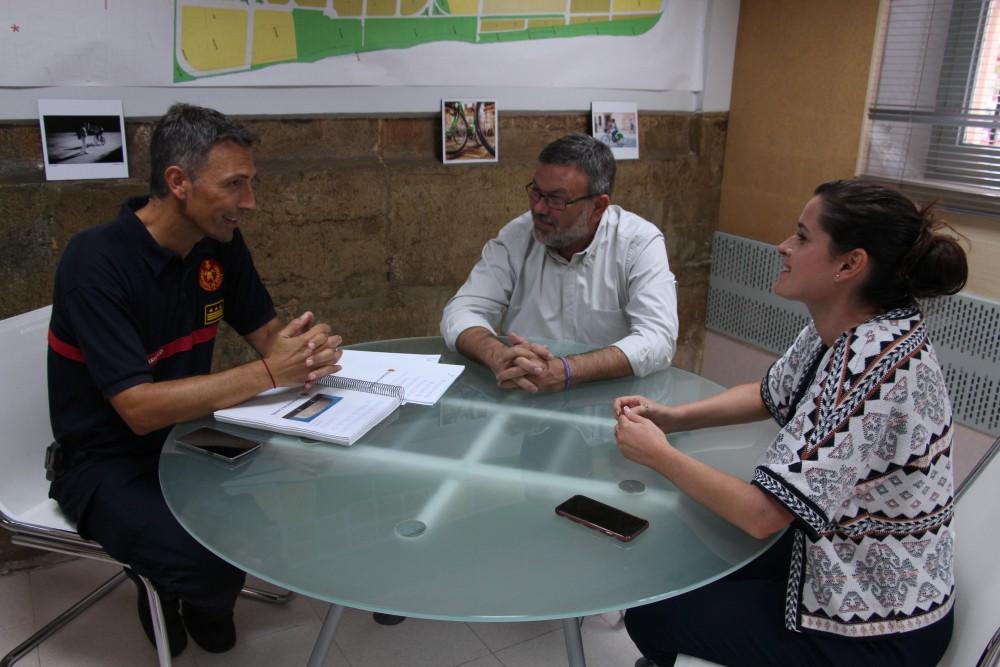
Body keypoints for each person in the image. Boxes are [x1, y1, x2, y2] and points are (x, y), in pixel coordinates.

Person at [615, 180, 966, 667]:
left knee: (652, 611)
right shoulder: (851, 324)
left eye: (802, 237)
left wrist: (658, 454)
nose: (783, 246)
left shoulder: (871, 365)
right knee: (687, 551)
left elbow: (762, 516)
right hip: (836, 559)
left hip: (874, 628)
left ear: (850, 264)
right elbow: (769, 392)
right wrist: (672, 418)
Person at [46, 103, 343, 657]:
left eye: (251, 183)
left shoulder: (218, 243)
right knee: (209, 564)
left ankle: (193, 585)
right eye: (234, 184)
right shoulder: (95, 262)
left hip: (189, 436)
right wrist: (268, 371)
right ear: (178, 182)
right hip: (103, 459)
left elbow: (266, 335)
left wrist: (305, 351)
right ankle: (164, 581)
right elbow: (137, 409)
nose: (249, 202)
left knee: (263, 532)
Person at [440, 133, 678, 393]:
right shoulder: (517, 237)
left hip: (610, 401)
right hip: (525, 394)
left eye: (557, 200)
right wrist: (497, 354)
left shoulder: (638, 243)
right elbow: (461, 310)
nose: (539, 208)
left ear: (599, 206)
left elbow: (658, 338)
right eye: (536, 192)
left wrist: (567, 371)